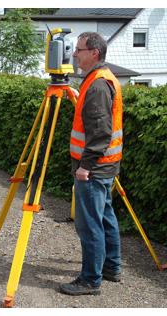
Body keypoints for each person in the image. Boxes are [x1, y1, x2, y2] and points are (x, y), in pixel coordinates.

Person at [60, 32, 123, 296]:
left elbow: (100, 132)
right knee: (105, 216)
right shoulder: (99, 80)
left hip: (94, 168)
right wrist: (77, 95)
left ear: (94, 53)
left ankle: (90, 280)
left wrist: (85, 166)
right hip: (106, 165)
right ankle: (111, 267)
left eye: (79, 50)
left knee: (90, 224)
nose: (74, 54)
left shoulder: (97, 85)